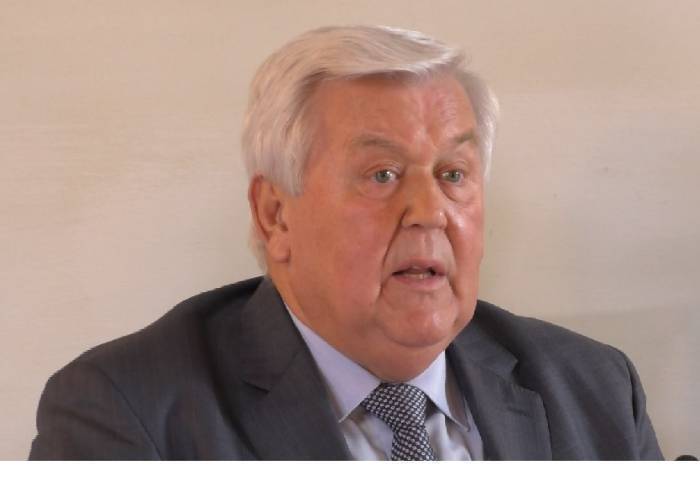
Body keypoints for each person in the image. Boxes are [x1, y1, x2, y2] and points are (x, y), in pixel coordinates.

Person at [29, 25, 663, 460]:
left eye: (453, 175)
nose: (429, 213)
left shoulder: (594, 388)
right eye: (382, 175)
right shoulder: (126, 413)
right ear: (275, 215)